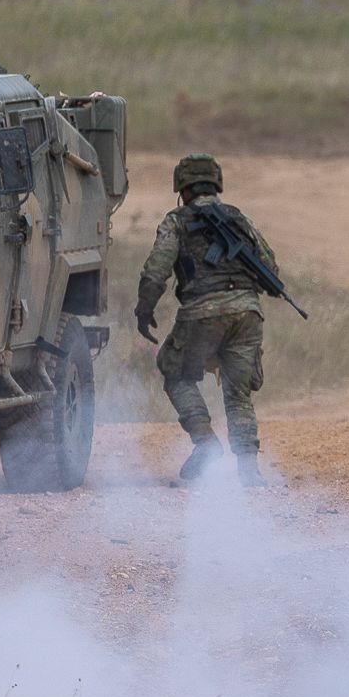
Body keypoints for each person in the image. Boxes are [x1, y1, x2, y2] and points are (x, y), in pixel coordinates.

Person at [135, 152, 280, 486]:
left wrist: (144, 310)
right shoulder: (239, 219)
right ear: (217, 184)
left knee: (175, 372)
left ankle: (205, 443)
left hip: (201, 312)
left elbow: (156, 271)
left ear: (182, 188)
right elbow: (270, 267)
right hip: (248, 313)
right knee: (238, 393)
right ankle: (249, 471)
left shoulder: (176, 221)